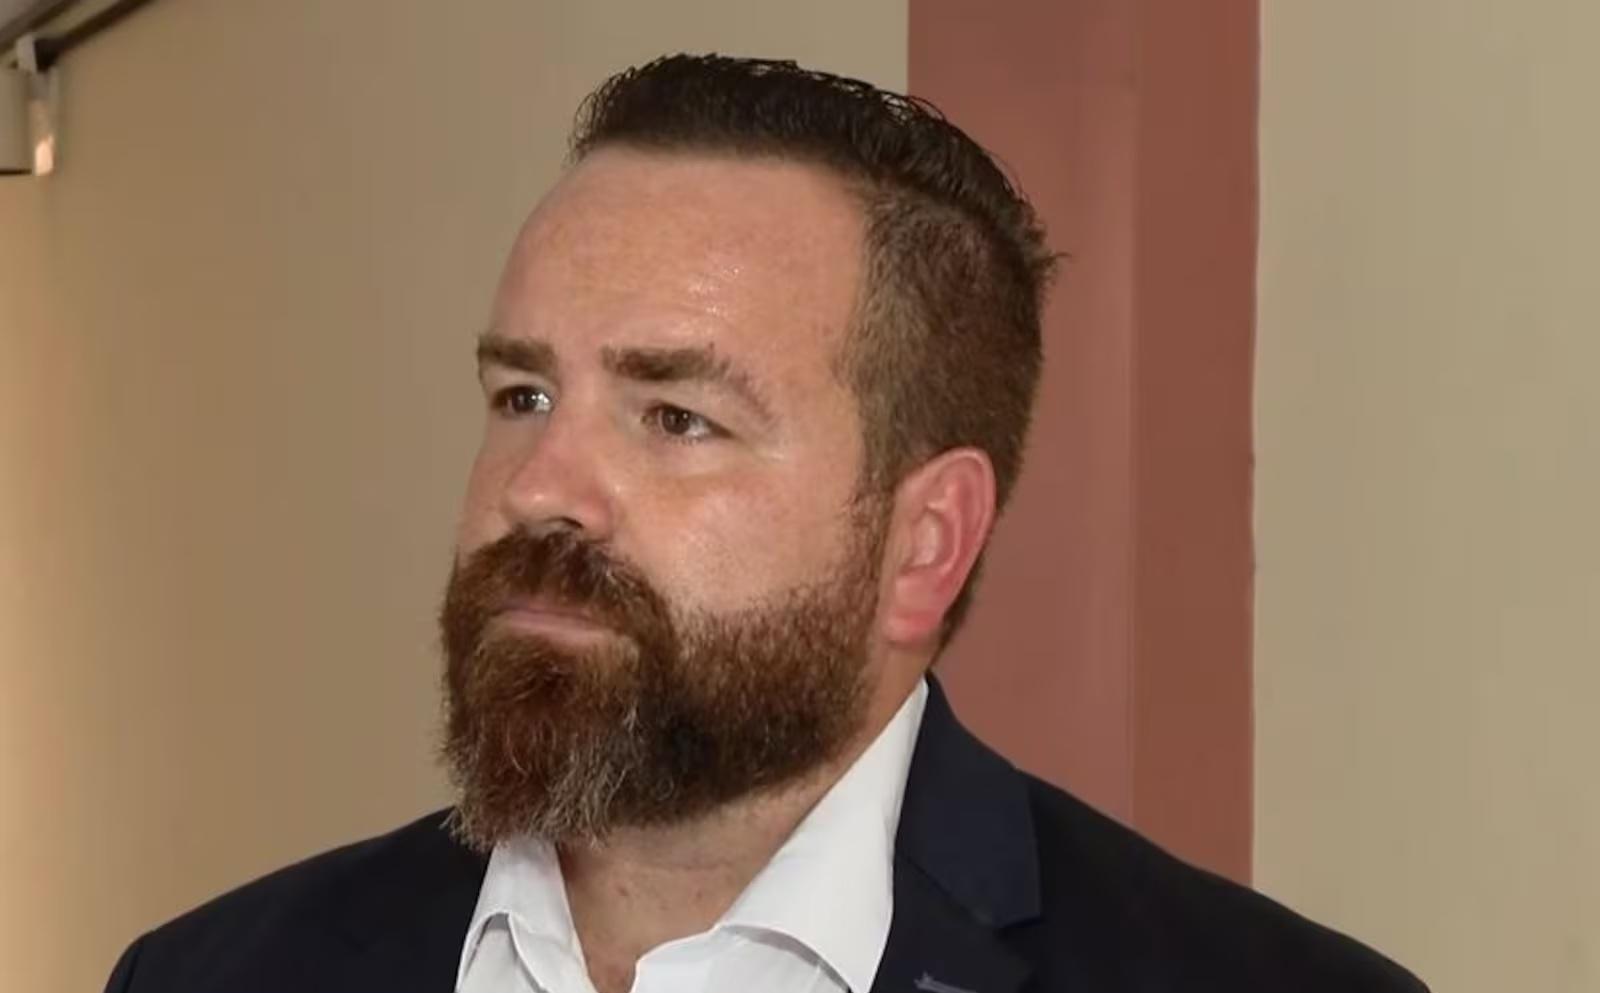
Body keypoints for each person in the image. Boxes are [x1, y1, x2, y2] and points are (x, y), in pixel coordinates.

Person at [103, 55, 1427, 993]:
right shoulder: (214, 973)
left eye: (676, 417)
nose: (539, 485)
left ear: (924, 541)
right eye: (523, 394)